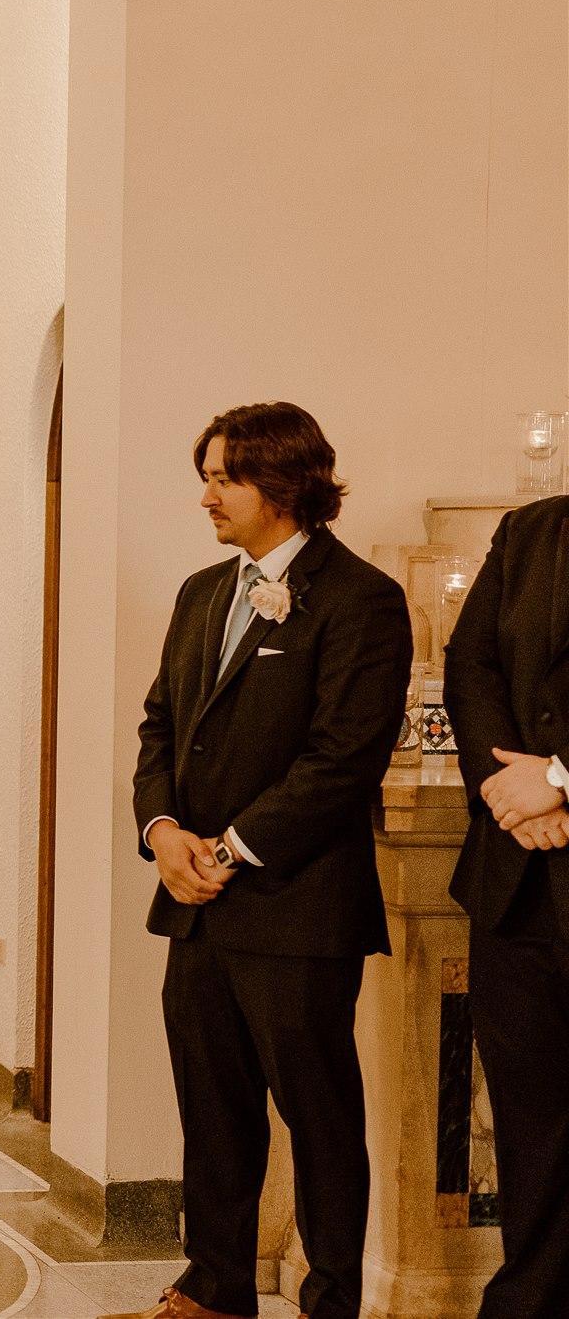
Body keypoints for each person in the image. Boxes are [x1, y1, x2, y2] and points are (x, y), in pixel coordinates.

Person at [111, 402, 411, 1319]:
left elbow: (342, 757)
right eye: (205, 476)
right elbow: (161, 726)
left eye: (222, 478)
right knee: (212, 1108)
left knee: (319, 1118)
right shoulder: (202, 591)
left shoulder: (361, 599)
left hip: (297, 906)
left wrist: (228, 849)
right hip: (195, 902)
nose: (205, 496)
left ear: (282, 482)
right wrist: (163, 832)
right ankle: (215, 1288)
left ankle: (330, 1301)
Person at [444, 492, 569, 1317]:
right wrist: (506, 790)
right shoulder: (530, 529)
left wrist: (560, 777)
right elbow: (471, 663)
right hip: (517, 888)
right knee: (531, 1128)